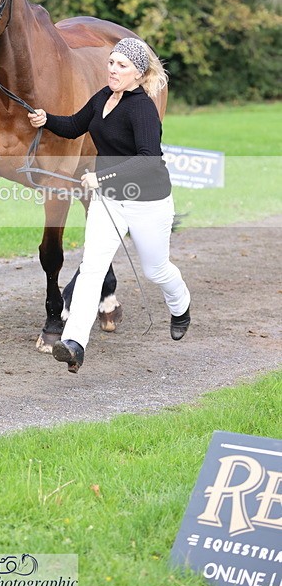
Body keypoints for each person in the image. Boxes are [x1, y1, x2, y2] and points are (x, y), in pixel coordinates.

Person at [28, 37, 191, 374]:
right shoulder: (103, 97)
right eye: (112, 62)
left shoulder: (142, 108)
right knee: (91, 268)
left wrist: (101, 178)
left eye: (121, 65)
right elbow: (75, 125)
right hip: (109, 201)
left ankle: (180, 307)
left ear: (138, 73)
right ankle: (74, 344)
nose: (113, 69)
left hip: (148, 202)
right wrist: (46, 119)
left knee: (156, 270)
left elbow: (149, 159)